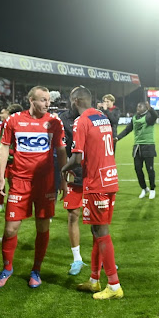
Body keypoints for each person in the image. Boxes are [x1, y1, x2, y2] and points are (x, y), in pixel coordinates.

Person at [0, 86, 66, 289]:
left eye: (48, 100)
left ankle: (36, 270)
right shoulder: (14, 120)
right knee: (10, 228)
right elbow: (4, 148)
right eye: (43, 100)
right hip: (20, 182)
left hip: (45, 183)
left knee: (42, 227)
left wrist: (64, 179)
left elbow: (61, 150)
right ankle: (7, 269)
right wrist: (1, 177)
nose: (47, 104)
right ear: (31, 100)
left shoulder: (54, 122)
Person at [62, 87, 123, 299]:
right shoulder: (102, 116)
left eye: (71, 100)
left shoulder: (82, 121)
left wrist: (63, 170)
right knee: (97, 232)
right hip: (110, 177)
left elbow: (77, 159)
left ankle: (114, 286)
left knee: (102, 233)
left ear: (76, 100)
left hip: (96, 182)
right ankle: (94, 280)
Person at [59, 87, 87, 275]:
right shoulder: (63, 119)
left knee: (96, 219)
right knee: (73, 215)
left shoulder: (93, 117)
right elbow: (61, 149)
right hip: (73, 173)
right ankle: (77, 259)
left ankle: (101, 257)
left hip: (93, 174)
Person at [116, 102, 158, 199]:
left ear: (145, 108)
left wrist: (151, 109)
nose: (137, 108)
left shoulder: (149, 117)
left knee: (150, 170)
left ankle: (152, 189)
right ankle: (144, 188)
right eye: (137, 106)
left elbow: (155, 116)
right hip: (137, 148)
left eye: (140, 106)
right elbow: (127, 130)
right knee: (137, 169)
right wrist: (117, 138)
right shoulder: (134, 118)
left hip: (148, 146)